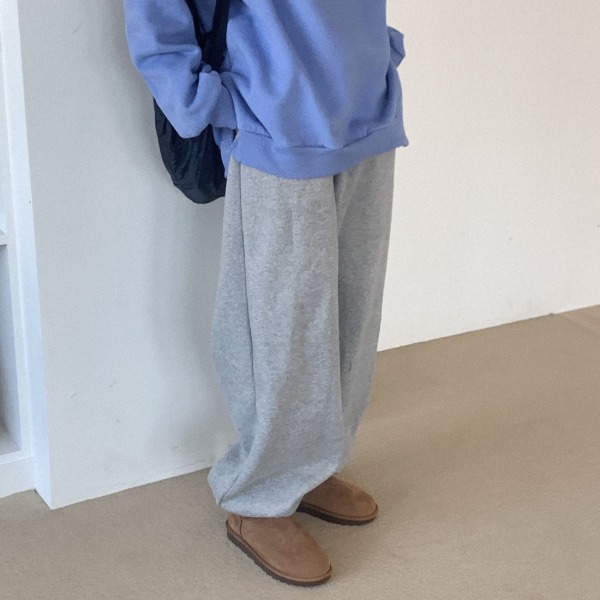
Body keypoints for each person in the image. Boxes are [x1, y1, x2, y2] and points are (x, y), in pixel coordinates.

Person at [124, 0, 408, 586]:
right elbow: (156, 19)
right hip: (273, 118)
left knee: (353, 314)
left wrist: (382, 56)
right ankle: (258, 498)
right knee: (281, 324)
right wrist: (205, 103)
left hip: (368, 105)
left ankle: (311, 465)